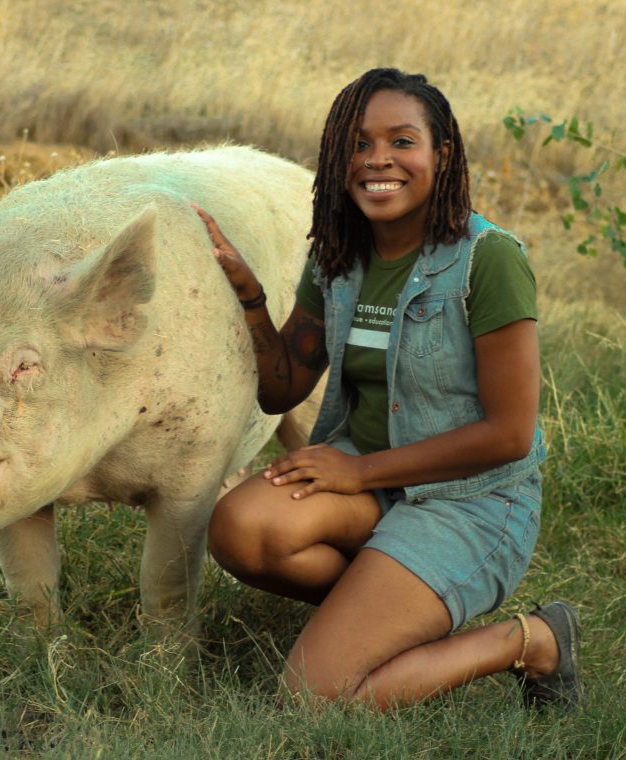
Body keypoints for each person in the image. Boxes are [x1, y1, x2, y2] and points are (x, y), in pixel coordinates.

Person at [194, 67, 581, 712]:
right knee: (241, 528)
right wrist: (249, 294)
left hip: (471, 503)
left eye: (402, 142)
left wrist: (359, 470)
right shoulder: (338, 256)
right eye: (358, 144)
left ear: (441, 154)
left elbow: (511, 435)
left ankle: (536, 639)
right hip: (375, 491)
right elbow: (281, 388)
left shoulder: (488, 261)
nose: (378, 161)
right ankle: (386, 609)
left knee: (315, 696)